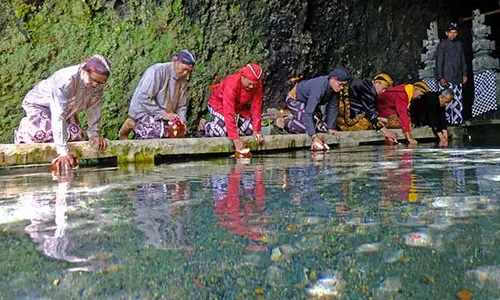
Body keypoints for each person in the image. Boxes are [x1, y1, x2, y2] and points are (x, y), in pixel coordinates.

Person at [14, 55, 111, 171]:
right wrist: (63, 152)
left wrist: (94, 135)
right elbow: (58, 114)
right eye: (93, 80)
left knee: (76, 135)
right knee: (39, 133)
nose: (95, 85)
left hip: (68, 109)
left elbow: (94, 107)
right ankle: (23, 131)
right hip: (41, 106)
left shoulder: (97, 84)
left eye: (101, 82)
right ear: (85, 70)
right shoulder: (66, 79)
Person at [119, 49, 196, 140]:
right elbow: (143, 97)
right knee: (155, 133)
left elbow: (181, 106)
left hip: (165, 117)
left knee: (175, 134)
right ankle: (132, 123)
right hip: (145, 111)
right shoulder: (157, 71)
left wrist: (182, 122)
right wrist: (163, 114)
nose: (186, 73)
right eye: (184, 69)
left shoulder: (183, 79)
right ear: (175, 62)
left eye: (189, 71)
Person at [282, 67, 351, 150]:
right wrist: (314, 137)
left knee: (322, 128)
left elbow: (333, 108)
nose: (342, 88)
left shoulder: (334, 89)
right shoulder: (319, 87)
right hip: (295, 100)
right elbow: (308, 112)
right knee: (306, 128)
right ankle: (285, 120)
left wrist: (330, 128)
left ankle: (298, 119)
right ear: (333, 79)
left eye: (344, 85)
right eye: (340, 84)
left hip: (309, 103)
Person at [203, 63, 264, 151]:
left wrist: (256, 131)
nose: (252, 87)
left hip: (238, 109)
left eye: (254, 85)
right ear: (243, 76)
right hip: (219, 105)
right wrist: (236, 139)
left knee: (250, 130)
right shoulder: (232, 84)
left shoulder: (257, 86)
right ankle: (205, 124)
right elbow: (229, 112)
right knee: (222, 132)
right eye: (250, 83)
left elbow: (256, 107)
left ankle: (232, 130)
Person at [336, 72, 398, 141]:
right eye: (384, 88)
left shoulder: (367, 85)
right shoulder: (370, 90)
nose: (383, 91)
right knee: (364, 124)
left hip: (348, 110)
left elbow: (368, 111)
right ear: (377, 83)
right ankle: (339, 125)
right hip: (341, 111)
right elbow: (370, 113)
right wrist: (386, 132)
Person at [435, 22, 468, 124]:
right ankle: (445, 122)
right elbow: (439, 62)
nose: (453, 35)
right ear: (446, 33)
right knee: (446, 100)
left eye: (455, 32)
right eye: (451, 32)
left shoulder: (459, 45)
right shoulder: (442, 45)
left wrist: (464, 74)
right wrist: (440, 77)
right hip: (446, 78)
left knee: (457, 100)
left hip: (457, 77)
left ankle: (457, 121)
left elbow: (463, 60)